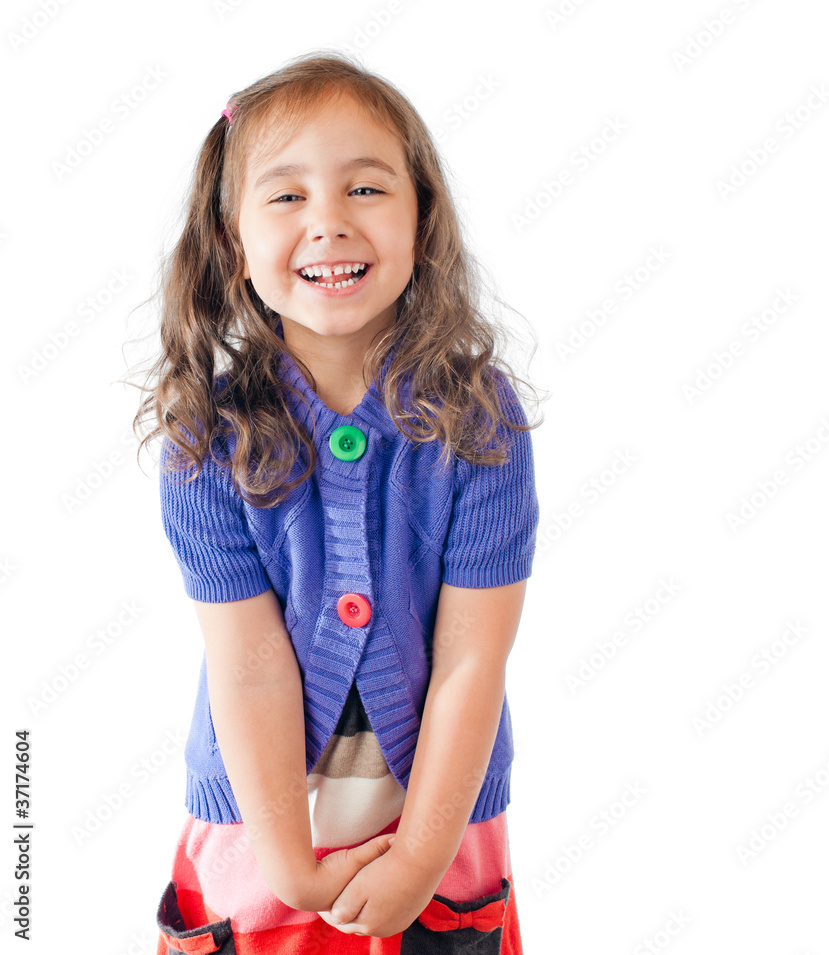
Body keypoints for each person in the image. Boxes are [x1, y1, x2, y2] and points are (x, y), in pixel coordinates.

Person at [130, 49, 540, 953]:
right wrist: (288, 861)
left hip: (438, 822)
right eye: (286, 196)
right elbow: (247, 664)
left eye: (366, 189)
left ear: (422, 219)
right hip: (260, 827)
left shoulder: (479, 420)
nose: (328, 224)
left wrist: (421, 857)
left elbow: (474, 658)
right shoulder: (208, 437)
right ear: (233, 243)